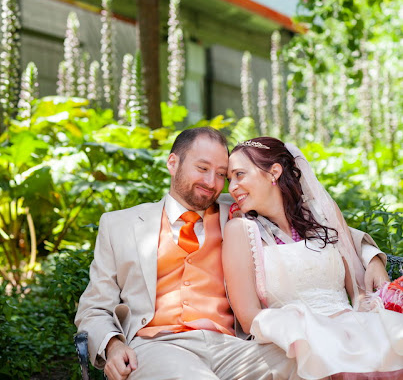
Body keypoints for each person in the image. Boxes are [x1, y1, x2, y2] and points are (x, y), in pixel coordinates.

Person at [75, 127, 389, 380]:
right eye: (202, 168)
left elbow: (319, 225)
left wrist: (369, 255)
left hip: (237, 347)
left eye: (222, 173)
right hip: (159, 345)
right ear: (173, 163)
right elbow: (93, 308)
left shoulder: (238, 208)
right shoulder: (120, 224)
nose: (212, 183)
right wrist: (113, 346)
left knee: (319, 360)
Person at [223, 137, 403, 380]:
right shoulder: (240, 231)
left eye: (239, 175)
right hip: (295, 342)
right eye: (229, 179)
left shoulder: (322, 213)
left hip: (353, 331)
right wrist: (306, 332)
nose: (232, 187)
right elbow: (248, 317)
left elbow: (358, 289)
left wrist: (373, 261)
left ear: (274, 172)